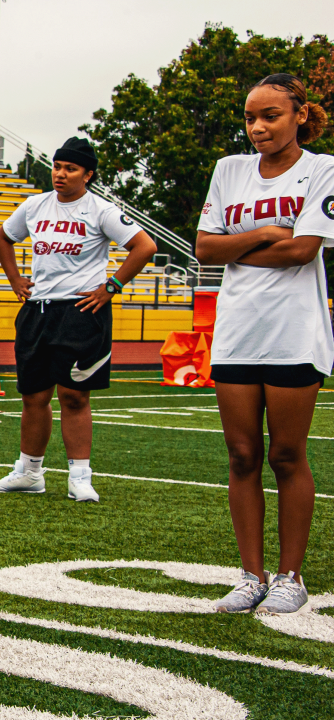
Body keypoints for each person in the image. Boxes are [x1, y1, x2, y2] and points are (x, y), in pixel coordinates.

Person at [195, 74, 332, 616]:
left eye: (270, 115)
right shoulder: (228, 170)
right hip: (237, 330)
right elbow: (205, 248)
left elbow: (302, 252)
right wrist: (265, 234)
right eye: (250, 117)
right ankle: (251, 575)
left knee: (287, 454)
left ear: (299, 114)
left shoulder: (322, 170)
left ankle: (290, 576)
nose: (257, 127)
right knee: (242, 454)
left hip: (294, 332)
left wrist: (239, 248)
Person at [0, 136, 157, 503]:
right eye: (58, 167)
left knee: (74, 395)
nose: (61, 175)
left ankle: (80, 476)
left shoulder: (101, 210)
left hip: (80, 312)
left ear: (88, 174)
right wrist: (15, 279)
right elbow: (2, 238)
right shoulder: (34, 206)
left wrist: (111, 287)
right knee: (34, 395)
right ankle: (29, 472)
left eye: (71, 169)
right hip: (38, 311)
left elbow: (145, 247)